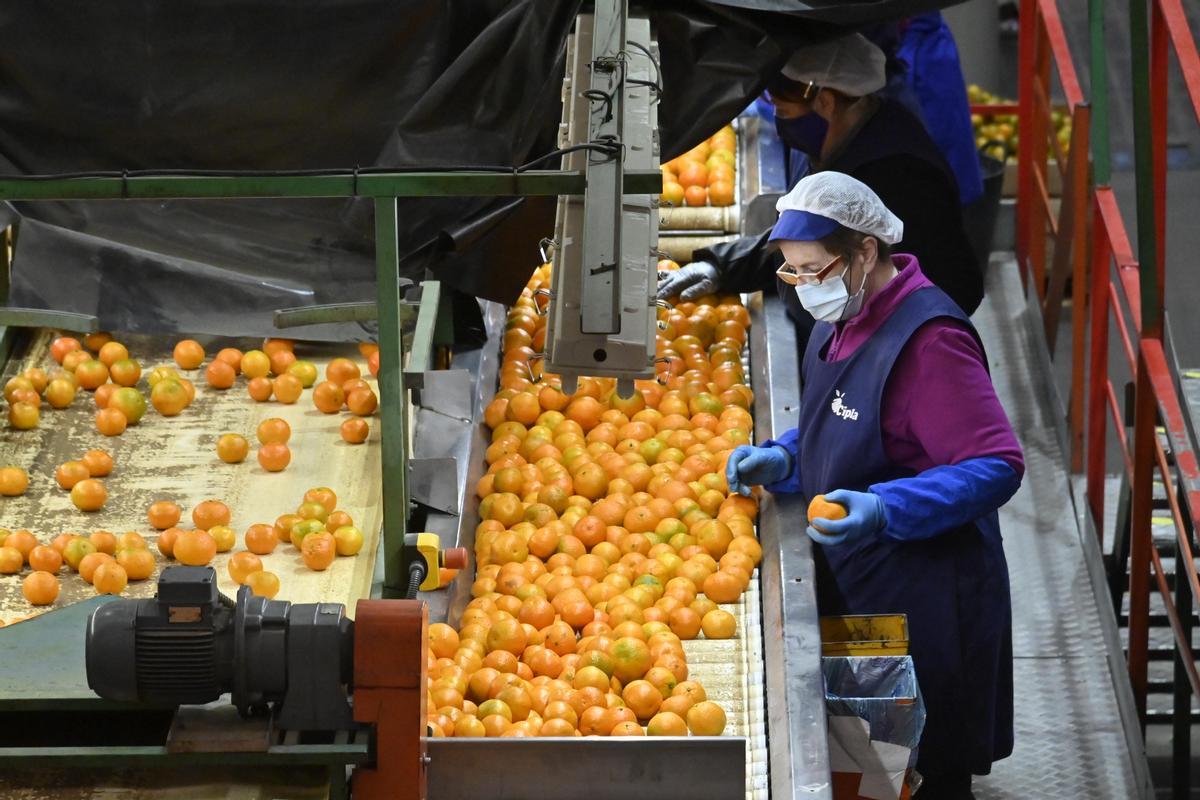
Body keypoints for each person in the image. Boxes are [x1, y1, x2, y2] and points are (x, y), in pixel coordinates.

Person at [724, 171, 1022, 799]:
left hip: (930, 597)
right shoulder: (846, 314)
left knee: (927, 769)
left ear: (864, 251)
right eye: (793, 273)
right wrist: (786, 458)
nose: (805, 288)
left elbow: (996, 462)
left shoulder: (931, 341)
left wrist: (887, 506)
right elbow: (852, 425)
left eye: (816, 270)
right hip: (869, 585)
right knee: (877, 767)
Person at [658, 33, 982, 350]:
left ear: (825, 101)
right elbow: (805, 235)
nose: (781, 123)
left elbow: (954, 283)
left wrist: (878, 352)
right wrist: (722, 266)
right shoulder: (822, 144)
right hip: (831, 340)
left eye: (784, 113)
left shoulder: (899, 174)